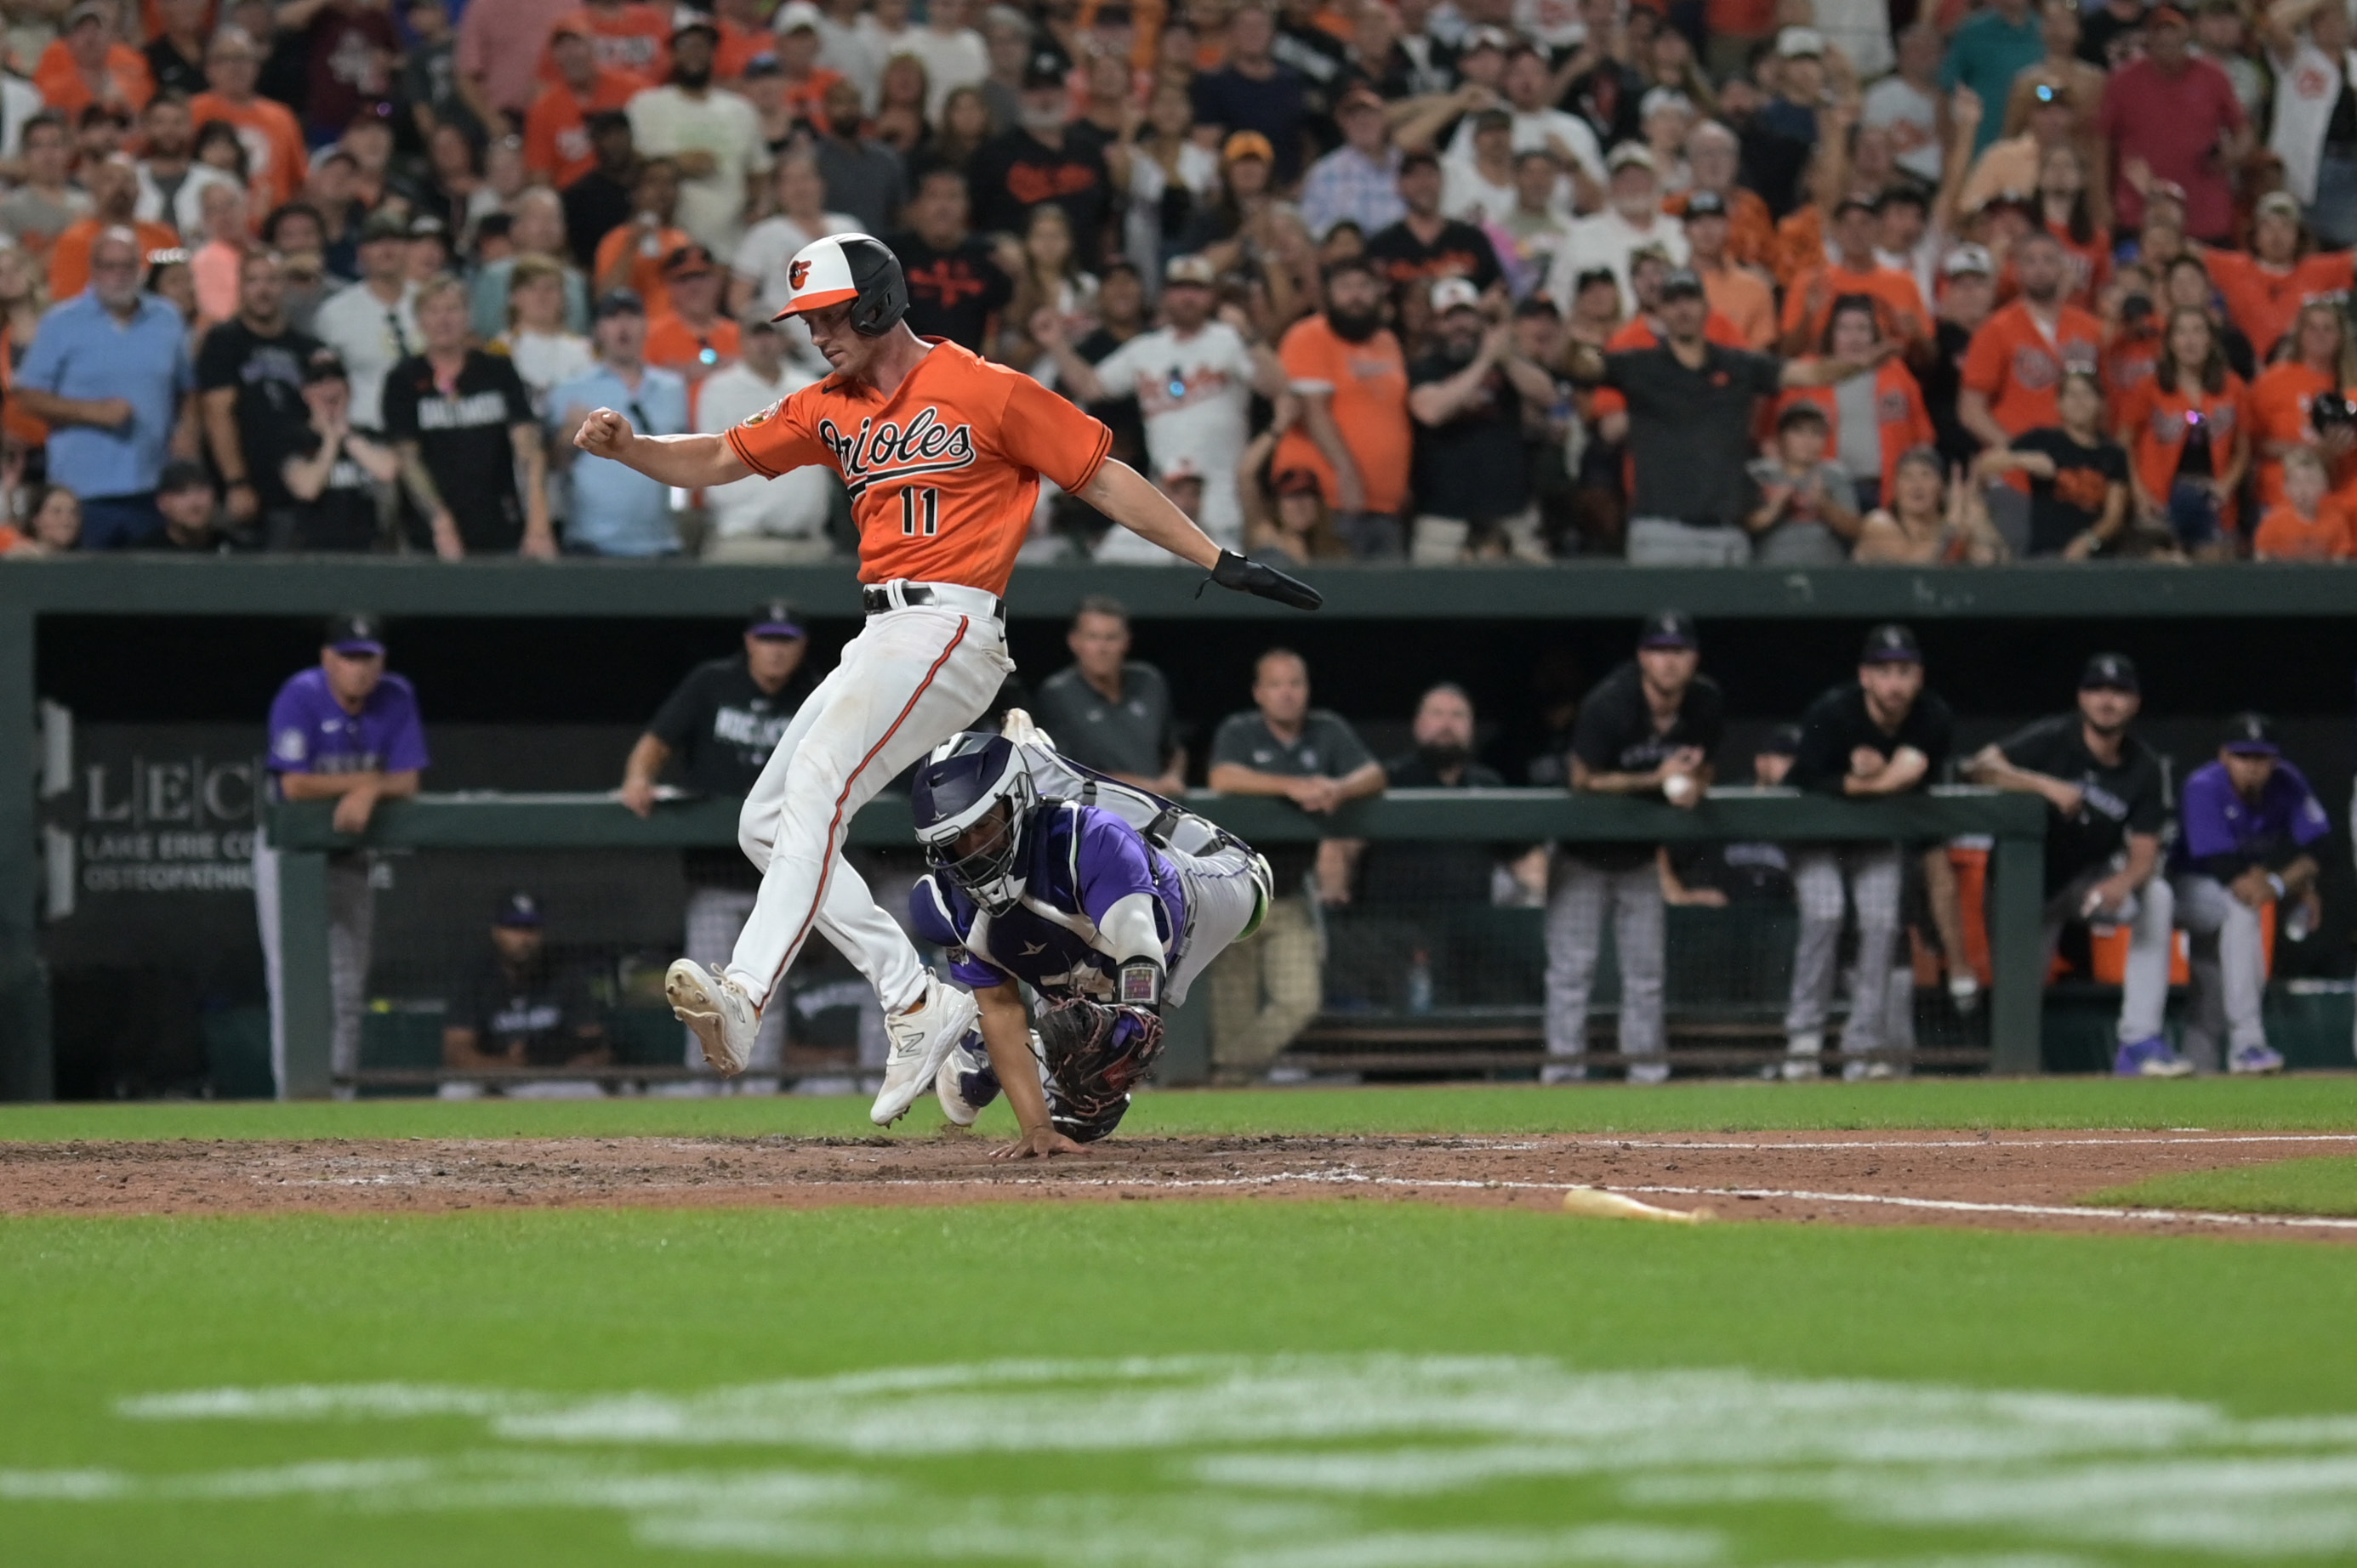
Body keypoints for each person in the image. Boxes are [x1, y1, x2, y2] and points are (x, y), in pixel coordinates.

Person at [569, 232, 1319, 1126]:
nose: (816, 332)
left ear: (878, 301)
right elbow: (720, 459)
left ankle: (745, 988)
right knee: (764, 819)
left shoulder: (985, 387)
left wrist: (1214, 555)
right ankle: (918, 1001)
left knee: (817, 782)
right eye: (805, 318)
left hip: (954, 621)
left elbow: (1100, 476)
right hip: (882, 628)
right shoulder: (826, 404)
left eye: (829, 314)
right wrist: (631, 448)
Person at [910, 726, 1275, 1156]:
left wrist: (1137, 1012)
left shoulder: (1090, 839)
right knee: (1078, 1125)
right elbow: (1001, 1008)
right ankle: (982, 1062)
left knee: (1258, 888)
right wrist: (1036, 1129)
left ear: (1014, 803)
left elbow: (1139, 942)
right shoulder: (946, 904)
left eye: (983, 826)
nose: (973, 851)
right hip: (1074, 976)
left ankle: (1041, 762)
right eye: (954, 841)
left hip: (1189, 910)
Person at [1567, 267, 1889, 565]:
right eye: (1673, 302)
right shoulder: (1638, 365)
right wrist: (1574, 348)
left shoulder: (1738, 365)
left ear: (1707, 308)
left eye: (1690, 300)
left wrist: (1860, 364)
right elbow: (1585, 368)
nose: (1683, 310)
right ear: (1661, 312)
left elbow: (1811, 374)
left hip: (1726, 533)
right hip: (1659, 530)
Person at [621, 604, 814, 1085]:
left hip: (779, 878)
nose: (776, 650)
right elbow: (657, 740)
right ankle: (702, 1089)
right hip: (715, 876)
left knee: (765, 995)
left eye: (786, 639)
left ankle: (760, 1092)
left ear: (801, 646)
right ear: (749, 641)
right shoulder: (713, 682)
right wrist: (638, 778)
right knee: (699, 995)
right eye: (767, 638)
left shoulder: (814, 693)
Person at [1967, 654, 2184, 1077]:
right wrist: (2045, 786)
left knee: (2156, 896)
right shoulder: (2054, 738)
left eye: (2119, 692)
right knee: (2019, 998)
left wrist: (2122, 882)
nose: (2107, 701)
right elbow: (1979, 767)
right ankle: (2014, 1076)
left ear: (2135, 703)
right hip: (2026, 887)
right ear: (2082, 697)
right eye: (2098, 690)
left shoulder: (2142, 766)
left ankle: (2139, 1041)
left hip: (2086, 883)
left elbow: (2144, 853)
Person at [254, 614, 427, 1098]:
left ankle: (339, 1101)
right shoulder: (300, 694)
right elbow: (294, 784)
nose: (360, 669)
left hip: (350, 853)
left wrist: (370, 790)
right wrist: (368, 783)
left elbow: (409, 782)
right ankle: (296, 1099)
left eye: (368, 658)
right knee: (292, 984)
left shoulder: (396, 695)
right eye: (349, 657)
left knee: (348, 988)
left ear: (382, 661)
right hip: (291, 855)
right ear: (328, 658)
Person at [1546, 611, 1722, 1086]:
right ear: (1643, 657)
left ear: (1694, 659)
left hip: (1641, 857)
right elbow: (1582, 779)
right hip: (1581, 857)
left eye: (1679, 652)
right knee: (1572, 971)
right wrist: (1655, 779)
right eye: (1660, 652)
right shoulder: (1610, 703)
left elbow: (1708, 765)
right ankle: (1563, 1075)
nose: (1669, 663)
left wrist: (1693, 784)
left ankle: (1647, 1075)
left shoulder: (1704, 702)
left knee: (1646, 973)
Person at [1784, 624, 1955, 1082]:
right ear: (1865, 676)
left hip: (1876, 840)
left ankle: (1864, 1047)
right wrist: (1869, 782)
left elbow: (1911, 775)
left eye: (1904, 671)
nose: (1894, 682)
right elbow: (1802, 780)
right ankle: (1803, 1040)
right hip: (1817, 839)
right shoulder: (1833, 712)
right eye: (1884, 671)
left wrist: (1874, 782)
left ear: (1918, 676)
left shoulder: (1931, 715)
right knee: (1825, 913)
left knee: (1881, 922)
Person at [1204, 647, 1383, 1082]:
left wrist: (1337, 788)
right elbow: (1221, 778)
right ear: (1259, 692)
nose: (1287, 694)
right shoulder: (1240, 730)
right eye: (1277, 685)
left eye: (1295, 683)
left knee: (1300, 998)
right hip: (1235, 891)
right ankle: (1228, 1102)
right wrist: (1294, 786)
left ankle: (1226, 1075)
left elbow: (1374, 775)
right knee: (1234, 1009)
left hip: (1287, 894)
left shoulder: (1327, 730)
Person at [1033, 254, 1284, 556]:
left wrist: (1248, 334)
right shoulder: (1146, 349)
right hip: (1162, 498)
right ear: (1165, 295)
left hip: (1225, 501)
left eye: (1197, 288)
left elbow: (1277, 387)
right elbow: (1092, 386)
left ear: (1212, 296)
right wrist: (1056, 344)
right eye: (1179, 288)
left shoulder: (1229, 340)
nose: (1187, 297)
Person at [15, 227, 195, 549]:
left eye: (126, 266)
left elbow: (188, 389)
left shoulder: (167, 318)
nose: (118, 275)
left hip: (153, 487)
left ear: (140, 269)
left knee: (150, 592)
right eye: (108, 266)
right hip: (82, 492)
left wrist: (186, 438)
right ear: (93, 269)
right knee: (87, 592)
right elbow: (27, 397)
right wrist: (92, 412)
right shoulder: (61, 321)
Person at [2170, 714, 2328, 1074]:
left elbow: (2321, 852)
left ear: (2276, 760)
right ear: (2224, 756)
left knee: (2210, 994)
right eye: (2243, 756)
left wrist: (2278, 884)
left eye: (2261, 757)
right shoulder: (2204, 784)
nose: (2253, 767)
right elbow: (2229, 873)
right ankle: (2248, 1043)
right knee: (2240, 909)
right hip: (2182, 891)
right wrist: (2289, 882)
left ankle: (2205, 1082)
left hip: (2223, 896)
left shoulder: (2287, 781)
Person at [384, 277, 554, 560]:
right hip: (430, 537)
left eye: (452, 310)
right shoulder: (403, 379)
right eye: (433, 311)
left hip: (500, 525)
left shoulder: (498, 370)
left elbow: (528, 447)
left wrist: (538, 521)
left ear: (468, 316)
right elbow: (407, 457)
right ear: (419, 321)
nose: (443, 320)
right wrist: (440, 521)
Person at [1406, 276, 1556, 564]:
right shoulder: (1426, 368)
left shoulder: (1508, 364)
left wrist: (1505, 355)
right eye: (1450, 319)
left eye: (1467, 317)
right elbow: (1431, 412)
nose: (1460, 326)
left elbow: (1547, 395)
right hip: (1444, 515)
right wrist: (1484, 362)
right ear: (1436, 325)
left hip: (1510, 513)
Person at [1272, 255, 1413, 559]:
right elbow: (1312, 411)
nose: (1356, 295)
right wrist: (1347, 471)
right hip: (1330, 504)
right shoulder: (1309, 335)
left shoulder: (1386, 341)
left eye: (1364, 286)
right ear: (1328, 295)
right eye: (1345, 286)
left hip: (1386, 507)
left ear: (1379, 293)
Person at [549, 288, 688, 558]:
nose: (623, 327)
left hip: (661, 544)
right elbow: (552, 467)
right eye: (613, 317)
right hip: (591, 544)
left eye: (632, 316)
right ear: (598, 329)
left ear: (646, 326)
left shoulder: (672, 389)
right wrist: (568, 437)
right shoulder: (569, 392)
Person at [196, 249, 319, 546]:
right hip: (248, 489)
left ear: (285, 287)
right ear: (240, 287)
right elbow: (218, 415)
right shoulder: (223, 341)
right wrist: (236, 482)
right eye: (253, 281)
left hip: (299, 489)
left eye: (272, 281)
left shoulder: (308, 348)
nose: (263, 290)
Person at [627, 14, 771, 263]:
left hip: (730, 246)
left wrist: (759, 207)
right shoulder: (646, 105)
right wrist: (676, 165)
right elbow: (627, 167)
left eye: (703, 46)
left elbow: (760, 173)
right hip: (665, 247)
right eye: (687, 46)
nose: (695, 53)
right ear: (673, 53)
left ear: (714, 54)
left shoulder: (741, 110)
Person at [2100, 5, 2249, 243]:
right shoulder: (2124, 81)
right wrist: (2102, 201)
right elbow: (2102, 140)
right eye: (2160, 32)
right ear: (2148, 38)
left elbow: (2244, 132)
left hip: (2205, 211)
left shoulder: (2213, 76)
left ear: (2188, 34)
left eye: (2174, 30)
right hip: (2139, 209)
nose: (2167, 38)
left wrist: (2230, 157)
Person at [441, 891, 612, 1091]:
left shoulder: (566, 974)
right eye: (514, 928)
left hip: (554, 1080)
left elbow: (597, 1047)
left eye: (530, 929)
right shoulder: (476, 977)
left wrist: (571, 1063)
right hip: (494, 1079)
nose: (523, 938)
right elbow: (456, 1053)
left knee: (588, 1090)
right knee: (456, 1091)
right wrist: (511, 1065)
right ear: (497, 932)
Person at [696, 314, 834, 561]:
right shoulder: (718, 389)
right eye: (756, 335)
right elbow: (706, 462)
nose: (764, 342)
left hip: (806, 542)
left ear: (784, 340)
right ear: (742, 341)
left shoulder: (809, 388)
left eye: (770, 334)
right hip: (742, 541)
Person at [2116, 305, 2249, 557]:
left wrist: (2226, 486)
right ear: (2170, 342)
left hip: (2213, 499)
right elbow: (2124, 445)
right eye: (2181, 333)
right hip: (2159, 500)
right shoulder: (2148, 387)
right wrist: (2139, 494)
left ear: (2211, 339)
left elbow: (2243, 450)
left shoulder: (2233, 387)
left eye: (2198, 331)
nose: (2190, 341)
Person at [968, 43, 1113, 258]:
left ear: (1066, 93)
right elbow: (973, 222)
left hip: (1084, 275)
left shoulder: (1088, 150)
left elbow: (1106, 220)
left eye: (1052, 87)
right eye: (1034, 88)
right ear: (1020, 95)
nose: (1045, 98)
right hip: (1019, 280)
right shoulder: (993, 154)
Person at [1031, 597, 1187, 794]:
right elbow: (1064, 770)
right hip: (1096, 813)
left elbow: (1174, 749)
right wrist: (1146, 787)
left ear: (1127, 642)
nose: (1102, 648)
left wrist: (1174, 776)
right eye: (1093, 638)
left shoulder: (1150, 681)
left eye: (1111, 638)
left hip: (1158, 813)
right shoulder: (1057, 694)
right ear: (1075, 642)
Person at [309, 208, 421, 436]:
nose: (387, 250)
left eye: (396, 241)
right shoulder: (335, 313)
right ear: (361, 253)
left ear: (409, 249)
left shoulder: (429, 302)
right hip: (367, 430)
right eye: (377, 242)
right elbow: (321, 381)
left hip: (429, 427)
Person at [276, 346, 396, 552]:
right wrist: (330, 440)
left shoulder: (368, 435)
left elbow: (387, 471)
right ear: (306, 393)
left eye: (335, 379)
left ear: (348, 389)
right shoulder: (293, 440)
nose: (328, 388)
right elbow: (308, 488)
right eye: (318, 382)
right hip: (315, 556)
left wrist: (347, 436)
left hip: (369, 551)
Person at [889, 167, 1013, 355]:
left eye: (952, 197)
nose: (943, 207)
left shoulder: (988, 256)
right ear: (916, 206)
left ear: (967, 206)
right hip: (904, 370)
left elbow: (1012, 318)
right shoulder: (891, 254)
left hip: (968, 368)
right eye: (934, 197)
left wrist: (1021, 274)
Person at [2263, 0, 2357, 247]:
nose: (2333, 26)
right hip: (2303, 169)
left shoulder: (2354, 63)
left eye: (2339, 19)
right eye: (2324, 19)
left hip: (2349, 168)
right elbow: (2275, 22)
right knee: (2300, 246)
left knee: (2343, 250)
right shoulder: (2297, 57)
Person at [2250, 300, 2357, 511]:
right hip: (2280, 499)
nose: (2320, 335)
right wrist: (2313, 450)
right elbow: (2253, 444)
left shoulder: (2353, 385)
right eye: (2312, 328)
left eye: (2328, 328)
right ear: (2300, 334)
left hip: (2344, 502)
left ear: (2341, 336)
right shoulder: (2272, 381)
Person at [1190, 2, 1312, 185]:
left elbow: (1305, 141)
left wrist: (1300, 182)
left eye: (1260, 26)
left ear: (1273, 33)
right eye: (1245, 26)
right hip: (1232, 194)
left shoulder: (1292, 82)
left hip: (1286, 191)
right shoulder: (1213, 84)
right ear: (1232, 33)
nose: (1253, 33)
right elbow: (1205, 149)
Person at [191, 25, 308, 214]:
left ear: (257, 66)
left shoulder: (281, 117)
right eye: (224, 59)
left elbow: (299, 181)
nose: (235, 67)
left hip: (271, 226)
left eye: (243, 58)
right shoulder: (193, 111)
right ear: (208, 69)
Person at [1364, 150, 1505, 298]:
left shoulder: (1471, 238)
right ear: (1399, 186)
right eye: (1414, 176)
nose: (1423, 183)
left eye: (1429, 174)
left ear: (1442, 181)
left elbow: (1497, 289)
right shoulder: (1381, 245)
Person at [526, 16, 642, 191]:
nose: (570, 54)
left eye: (576, 44)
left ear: (593, 48)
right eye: (562, 47)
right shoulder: (543, 109)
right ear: (554, 56)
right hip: (574, 204)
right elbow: (540, 176)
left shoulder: (632, 90)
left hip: (629, 192)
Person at [1746, 403, 1862, 565]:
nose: (1808, 441)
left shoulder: (1835, 475)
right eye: (1798, 431)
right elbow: (1743, 526)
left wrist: (1824, 504)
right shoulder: (1760, 474)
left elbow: (1855, 530)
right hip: (1769, 571)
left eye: (1816, 433)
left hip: (1827, 571)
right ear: (1780, 437)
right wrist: (1775, 506)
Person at [1853, 446, 2011, 564]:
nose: (1916, 485)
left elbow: (1994, 562)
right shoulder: (1878, 523)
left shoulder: (1951, 525)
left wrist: (1977, 517)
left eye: (1926, 475)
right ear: (1895, 488)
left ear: (1942, 488)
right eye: (1907, 477)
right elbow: (1914, 566)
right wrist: (1951, 523)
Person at [1301, 81, 1405, 242]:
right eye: (1353, 116)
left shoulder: (1407, 165)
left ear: (1384, 118)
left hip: (1405, 258)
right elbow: (1311, 228)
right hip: (1352, 261)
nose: (1363, 122)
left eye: (1370, 114)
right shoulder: (1325, 172)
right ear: (1342, 123)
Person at [1943, 0, 2045, 159]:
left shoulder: (2045, 32)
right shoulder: (1972, 32)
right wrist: (1949, 144)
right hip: (1980, 146)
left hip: (2032, 149)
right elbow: (1946, 89)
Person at [2255, 445, 2357, 560]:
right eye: (2297, 482)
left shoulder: (2336, 522)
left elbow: (2339, 564)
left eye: (2311, 481)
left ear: (2324, 486)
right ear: (2286, 487)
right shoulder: (2272, 522)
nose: (2304, 489)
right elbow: (2261, 561)